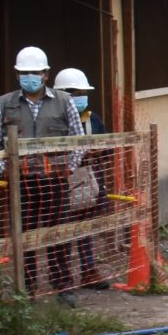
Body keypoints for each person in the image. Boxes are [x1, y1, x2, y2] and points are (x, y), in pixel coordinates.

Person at [0, 48, 80, 296]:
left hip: (55, 180)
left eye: (34, 73)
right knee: (23, 235)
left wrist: (70, 165)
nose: (29, 77)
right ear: (17, 76)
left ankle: (63, 286)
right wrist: (6, 168)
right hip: (21, 183)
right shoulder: (6, 103)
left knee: (57, 234)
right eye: (24, 73)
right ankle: (27, 287)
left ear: (45, 74)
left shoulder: (63, 100)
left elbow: (79, 139)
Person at [56, 67, 109, 290]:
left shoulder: (93, 120)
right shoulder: (55, 121)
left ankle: (89, 270)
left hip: (90, 182)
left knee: (86, 229)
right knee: (62, 231)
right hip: (62, 182)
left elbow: (108, 148)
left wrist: (95, 153)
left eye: (82, 93)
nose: (80, 98)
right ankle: (63, 275)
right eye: (75, 94)